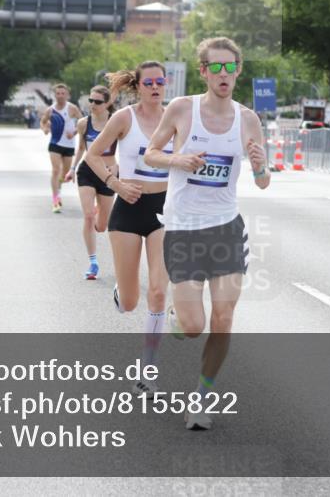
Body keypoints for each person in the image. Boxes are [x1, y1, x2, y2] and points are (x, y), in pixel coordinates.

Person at [144, 37, 270, 431]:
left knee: (224, 317)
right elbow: (150, 154)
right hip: (182, 229)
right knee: (193, 325)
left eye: (230, 67)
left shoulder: (248, 119)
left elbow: (263, 182)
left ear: (238, 71)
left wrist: (262, 166)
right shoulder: (183, 110)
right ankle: (177, 316)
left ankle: (200, 397)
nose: (223, 74)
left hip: (225, 229)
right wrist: (177, 159)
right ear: (202, 71)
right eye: (215, 67)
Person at [84, 61, 172, 398]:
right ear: (138, 85)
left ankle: (147, 374)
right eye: (148, 82)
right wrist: (115, 184)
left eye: (160, 82)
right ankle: (121, 293)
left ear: (166, 85)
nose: (155, 87)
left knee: (159, 292)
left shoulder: (176, 118)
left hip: (163, 209)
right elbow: (93, 155)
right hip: (128, 209)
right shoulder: (125, 118)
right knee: (132, 302)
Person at [64, 86, 117, 280]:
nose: (93, 105)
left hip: (107, 174)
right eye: (91, 101)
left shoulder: (116, 122)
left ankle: (97, 211)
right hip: (87, 171)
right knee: (87, 216)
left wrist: (118, 167)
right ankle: (93, 262)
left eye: (98, 102)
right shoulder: (83, 123)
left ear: (107, 104)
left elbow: (127, 150)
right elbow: (80, 148)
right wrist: (71, 168)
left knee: (102, 225)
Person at [40, 84, 82, 213]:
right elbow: (43, 121)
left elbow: (83, 122)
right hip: (55, 144)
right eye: (58, 93)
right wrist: (45, 129)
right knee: (55, 170)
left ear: (67, 95)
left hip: (69, 145)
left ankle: (58, 189)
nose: (60, 96)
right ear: (55, 95)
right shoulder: (50, 110)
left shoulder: (72, 108)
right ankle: (55, 200)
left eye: (63, 93)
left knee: (64, 175)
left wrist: (74, 132)